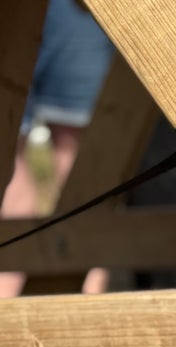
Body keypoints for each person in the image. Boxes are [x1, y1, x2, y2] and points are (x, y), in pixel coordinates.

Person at [0, 0, 113, 298]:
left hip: (81, 14)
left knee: (82, 150)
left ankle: (88, 294)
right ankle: (5, 299)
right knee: (10, 151)